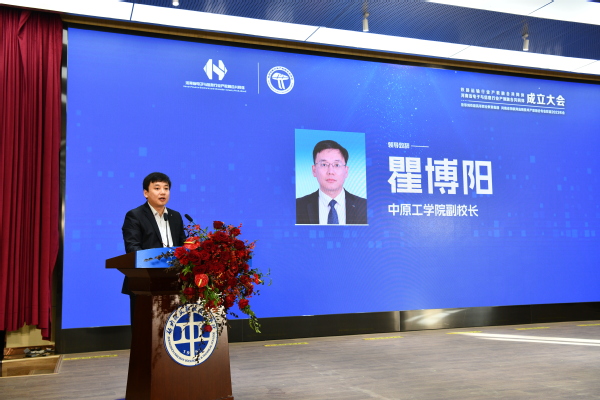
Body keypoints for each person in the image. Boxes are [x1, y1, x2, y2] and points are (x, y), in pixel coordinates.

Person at [121, 172, 187, 320]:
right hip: (145, 282)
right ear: (146, 193)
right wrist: (156, 262)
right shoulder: (135, 216)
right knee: (145, 327)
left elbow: (182, 246)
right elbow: (132, 248)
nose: (163, 192)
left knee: (172, 327)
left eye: (166, 188)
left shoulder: (175, 216)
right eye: (157, 188)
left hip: (174, 282)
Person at [296, 140, 367, 225]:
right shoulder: (297, 207)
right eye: (324, 164)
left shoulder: (365, 207)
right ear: (314, 170)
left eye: (337, 165)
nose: (330, 172)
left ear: (346, 171)